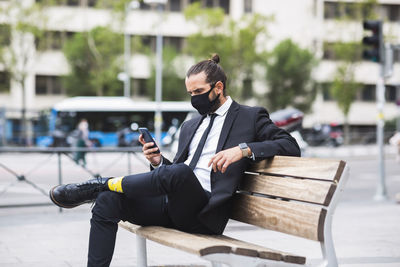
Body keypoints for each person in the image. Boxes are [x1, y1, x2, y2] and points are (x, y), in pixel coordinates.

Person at [49, 54, 301, 267]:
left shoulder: (250, 116)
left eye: (199, 92)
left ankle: (99, 183)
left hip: (204, 214)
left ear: (219, 87)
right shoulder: (190, 125)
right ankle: (103, 190)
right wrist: (159, 162)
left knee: (179, 173)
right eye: (190, 93)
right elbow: (175, 175)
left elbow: (290, 146)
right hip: (174, 205)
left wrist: (243, 150)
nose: (194, 98)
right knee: (108, 201)